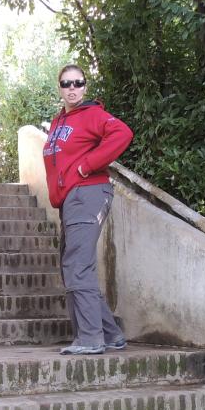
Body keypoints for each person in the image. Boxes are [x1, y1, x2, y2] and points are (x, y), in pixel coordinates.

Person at [43, 64, 134, 355]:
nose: (72, 88)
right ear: (59, 87)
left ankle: (90, 338)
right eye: (66, 83)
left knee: (77, 266)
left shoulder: (92, 114)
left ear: (85, 87)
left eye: (78, 83)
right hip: (71, 199)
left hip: (88, 193)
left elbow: (122, 133)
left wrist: (87, 165)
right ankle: (110, 334)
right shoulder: (58, 122)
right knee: (74, 265)